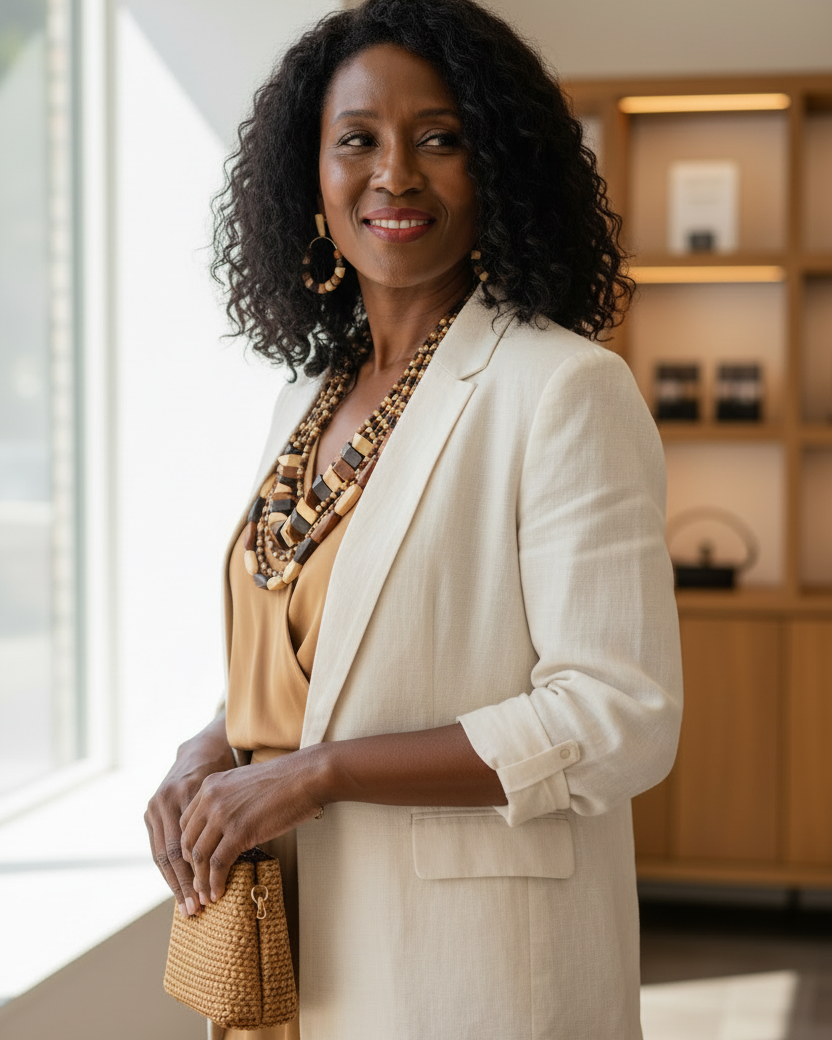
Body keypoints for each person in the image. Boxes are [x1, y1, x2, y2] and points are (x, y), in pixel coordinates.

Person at [145, 1, 683, 1037]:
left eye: (440, 139)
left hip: (462, 976)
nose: (394, 173)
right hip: (285, 944)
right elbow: (324, 646)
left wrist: (320, 773)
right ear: (312, 174)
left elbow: (619, 715)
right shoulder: (306, 396)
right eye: (358, 141)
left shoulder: (563, 387)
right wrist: (210, 745)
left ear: (499, 166)